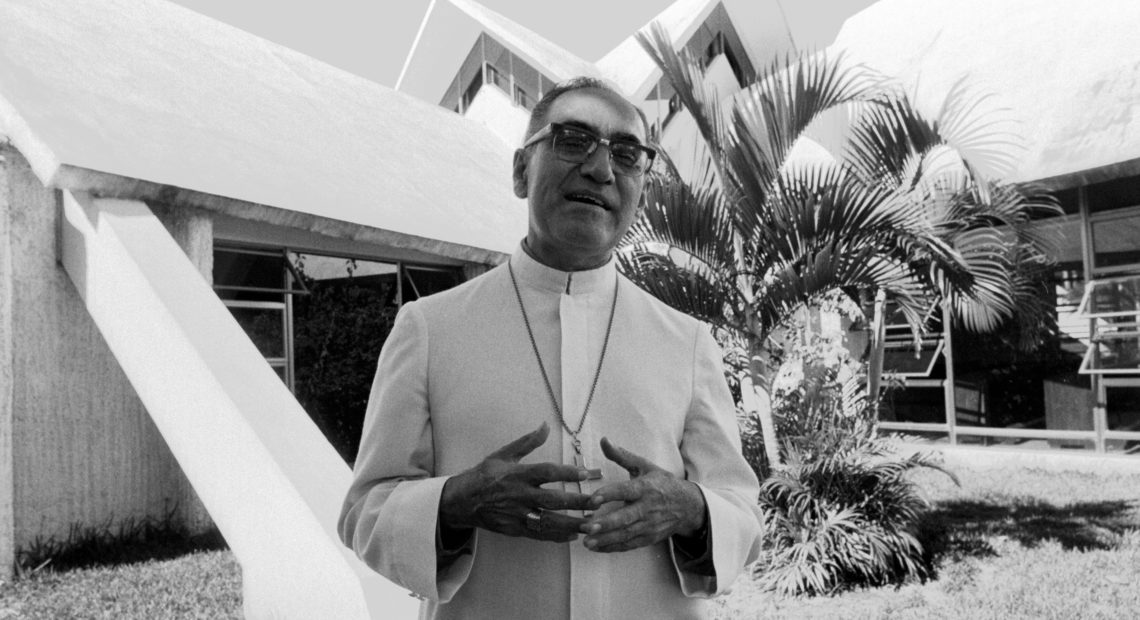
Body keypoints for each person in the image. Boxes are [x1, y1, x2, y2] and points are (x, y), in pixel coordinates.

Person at [339, 76, 762, 619]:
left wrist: (690, 508)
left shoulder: (687, 341)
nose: (601, 169)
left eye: (627, 155)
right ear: (520, 171)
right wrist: (456, 502)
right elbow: (364, 511)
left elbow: (742, 513)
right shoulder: (429, 328)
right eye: (572, 140)